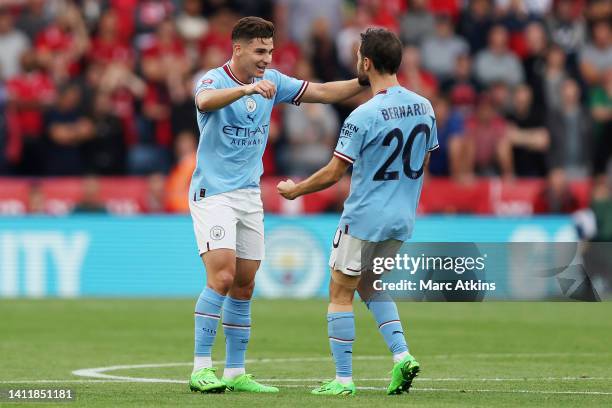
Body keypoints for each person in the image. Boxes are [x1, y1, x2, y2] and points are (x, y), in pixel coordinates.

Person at [188, 16, 365, 394]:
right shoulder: (214, 80)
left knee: (244, 284)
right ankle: (201, 368)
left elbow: (324, 92)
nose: (267, 57)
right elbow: (204, 101)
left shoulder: (275, 81)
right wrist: (246, 92)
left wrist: (368, 80)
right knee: (220, 276)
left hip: (248, 194)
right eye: (259, 50)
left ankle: (235, 372)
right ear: (238, 48)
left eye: (270, 50)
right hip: (213, 193)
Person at [277, 28, 438, 396]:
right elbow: (425, 157)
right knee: (371, 285)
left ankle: (344, 380)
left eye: (357, 57)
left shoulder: (363, 115)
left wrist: (296, 189)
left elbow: (335, 172)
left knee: (339, 292)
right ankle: (402, 357)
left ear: (366, 63)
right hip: (401, 220)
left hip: (364, 217)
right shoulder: (425, 106)